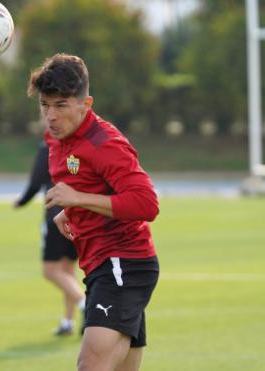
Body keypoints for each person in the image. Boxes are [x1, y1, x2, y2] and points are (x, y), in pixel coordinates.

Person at [28, 54, 160, 371]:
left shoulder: (105, 143)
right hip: (101, 264)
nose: (51, 115)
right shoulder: (56, 137)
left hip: (123, 264)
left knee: (91, 366)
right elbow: (84, 183)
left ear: (86, 103)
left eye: (61, 105)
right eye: (45, 105)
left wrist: (78, 198)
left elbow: (146, 204)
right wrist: (71, 210)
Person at [14, 141, 86, 336]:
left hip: (56, 216)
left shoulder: (48, 146)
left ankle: (85, 304)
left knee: (50, 271)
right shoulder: (80, 144)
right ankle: (67, 322)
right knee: (68, 270)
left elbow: (36, 181)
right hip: (78, 216)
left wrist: (21, 201)